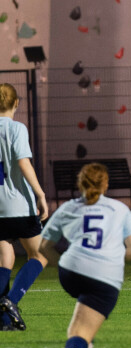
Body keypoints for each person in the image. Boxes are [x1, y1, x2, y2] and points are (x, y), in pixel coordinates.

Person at [35, 163, 131, 348]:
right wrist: (116, 261)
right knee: (90, 309)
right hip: (103, 275)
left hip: (70, 272)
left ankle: (87, 344)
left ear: (80, 183)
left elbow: (44, 246)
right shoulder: (119, 208)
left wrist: (61, 265)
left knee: (86, 304)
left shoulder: (68, 207)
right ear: (106, 184)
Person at [0, 83, 49, 331]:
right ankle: (11, 301)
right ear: (16, 103)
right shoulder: (17, 128)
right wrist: (40, 194)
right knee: (40, 255)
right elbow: (23, 163)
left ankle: (3, 321)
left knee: (5, 256)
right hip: (19, 205)